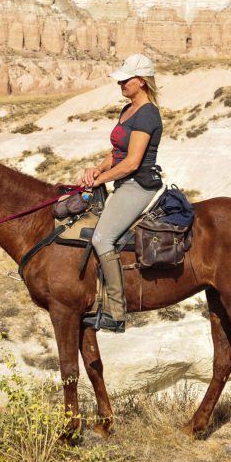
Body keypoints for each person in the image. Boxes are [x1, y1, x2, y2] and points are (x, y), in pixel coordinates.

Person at [79, 53, 164, 332]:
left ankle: (115, 311)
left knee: (102, 238)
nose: (121, 85)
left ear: (141, 81)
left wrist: (101, 179)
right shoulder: (127, 110)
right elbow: (116, 153)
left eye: (125, 80)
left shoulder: (148, 113)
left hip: (138, 184)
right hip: (122, 180)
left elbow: (132, 162)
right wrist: (96, 169)